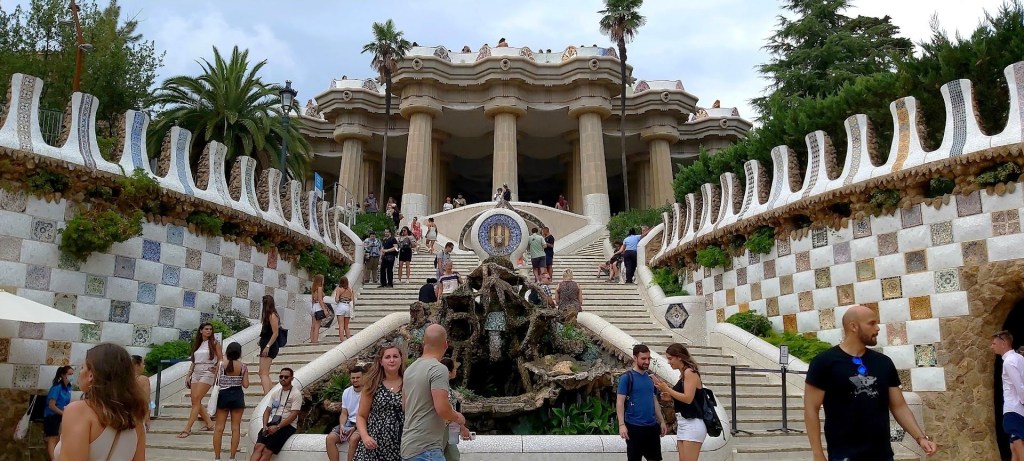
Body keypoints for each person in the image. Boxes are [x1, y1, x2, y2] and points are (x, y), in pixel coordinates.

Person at [804, 304, 938, 461]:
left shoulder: (884, 363)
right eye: (872, 323)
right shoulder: (824, 362)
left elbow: (899, 406)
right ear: (853, 326)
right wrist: (817, 454)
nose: (878, 328)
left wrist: (920, 438)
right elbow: (810, 409)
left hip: (882, 456)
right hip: (844, 456)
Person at [55, 343, 147, 461]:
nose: (79, 372)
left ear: (91, 375)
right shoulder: (136, 420)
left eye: (82, 367)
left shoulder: (78, 411)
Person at [401, 324, 467, 461]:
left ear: (424, 342)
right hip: (427, 448)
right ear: (446, 344)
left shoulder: (410, 370)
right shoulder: (438, 369)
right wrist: (457, 417)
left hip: (409, 445)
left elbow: (405, 407)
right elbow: (442, 408)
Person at [653, 344, 705, 461]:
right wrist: (670, 397)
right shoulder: (683, 375)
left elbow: (688, 398)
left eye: (670, 358)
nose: (668, 362)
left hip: (692, 423)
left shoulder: (689, 372)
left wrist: (667, 389)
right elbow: (687, 398)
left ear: (679, 357)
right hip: (683, 422)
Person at [616, 344, 668, 461]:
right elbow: (620, 402)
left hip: (651, 427)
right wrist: (621, 425)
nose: (647, 361)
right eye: (643, 358)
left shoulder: (650, 379)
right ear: (635, 358)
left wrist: (662, 421)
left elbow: (653, 400)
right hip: (634, 427)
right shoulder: (627, 378)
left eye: (648, 358)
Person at [354, 343, 406, 461]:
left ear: (401, 359)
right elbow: (361, 416)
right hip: (374, 445)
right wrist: (365, 437)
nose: (392, 360)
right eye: (387, 357)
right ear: (381, 361)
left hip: (401, 444)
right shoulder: (372, 384)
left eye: (395, 356)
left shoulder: (409, 383)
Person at [180, 322, 222, 438]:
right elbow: (193, 361)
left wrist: (217, 369)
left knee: (197, 399)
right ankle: (209, 423)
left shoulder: (214, 343)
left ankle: (187, 429)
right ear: (201, 331)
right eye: (206, 329)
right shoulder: (198, 344)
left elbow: (220, 358)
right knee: (195, 401)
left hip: (207, 371)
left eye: (210, 329)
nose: (209, 331)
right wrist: (189, 374)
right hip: (196, 371)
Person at [250, 367, 302, 461]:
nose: (283, 379)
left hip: (287, 426)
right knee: (258, 447)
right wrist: (265, 425)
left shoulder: (296, 394)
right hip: (272, 423)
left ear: (292, 378)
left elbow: (294, 414)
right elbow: (267, 410)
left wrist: (278, 427)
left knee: (267, 450)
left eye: (286, 377)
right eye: (281, 376)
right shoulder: (275, 393)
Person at [214, 342, 250, 461]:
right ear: (239, 353)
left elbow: (216, 381)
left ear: (227, 351)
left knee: (219, 428)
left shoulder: (221, 365)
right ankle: (232, 457)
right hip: (237, 396)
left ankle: (217, 457)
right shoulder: (243, 366)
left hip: (223, 396)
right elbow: (246, 385)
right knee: (235, 428)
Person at [994, 330, 1024, 461]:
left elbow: (1019, 386)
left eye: (994, 343)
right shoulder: (1019, 358)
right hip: (1017, 409)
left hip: (1014, 409)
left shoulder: (1008, 362)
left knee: (1018, 445)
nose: (992, 346)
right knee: (1013, 447)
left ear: (1004, 344)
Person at [327, 364, 365, 461]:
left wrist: (355, 427)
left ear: (363, 378)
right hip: (349, 422)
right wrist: (342, 426)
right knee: (330, 439)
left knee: (353, 440)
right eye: (353, 378)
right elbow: (344, 413)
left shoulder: (367, 392)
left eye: (357, 378)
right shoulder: (346, 392)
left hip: (363, 423)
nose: (355, 380)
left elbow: (368, 415)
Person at [439, 358, 472, 461]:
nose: (456, 371)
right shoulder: (444, 389)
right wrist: (462, 428)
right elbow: (448, 411)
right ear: (448, 372)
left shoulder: (445, 388)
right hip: (442, 432)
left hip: (447, 432)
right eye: (455, 369)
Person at [45, 366, 74, 460]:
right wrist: (63, 413)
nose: (71, 376)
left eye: (72, 374)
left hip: (61, 415)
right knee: (53, 438)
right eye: (69, 374)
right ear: (63, 375)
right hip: (51, 415)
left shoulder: (69, 388)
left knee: (60, 438)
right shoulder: (56, 388)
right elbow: (51, 406)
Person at [258, 295, 281, 394]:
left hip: (269, 346)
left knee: (263, 373)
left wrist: (267, 346)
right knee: (264, 372)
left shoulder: (272, 315)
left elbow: (275, 333)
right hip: (266, 344)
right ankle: (270, 394)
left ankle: (267, 395)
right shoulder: (269, 315)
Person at [131, 356, 151, 432]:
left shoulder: (122, 379)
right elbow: (147, 400)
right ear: (137, 365)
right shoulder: (143, 379)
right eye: (143, 363)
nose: (144, 366)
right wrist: (147, 415)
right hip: (138, 416)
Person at [333, 277, 356, 342]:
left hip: (341, 306)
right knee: (346, 326)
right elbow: (353, 301)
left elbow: (337, 300)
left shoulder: (339, 289)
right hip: (348, 306)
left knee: (341, 325)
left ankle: (342, 340)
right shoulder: (350, 289)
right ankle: (349, 339)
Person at [310, 274, 330, 344]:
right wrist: (324, 310)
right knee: (317, 325)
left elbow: (313, 299)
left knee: (313, 325)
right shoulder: (320, 288)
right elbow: (320, 300)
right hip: (318, 307)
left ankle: (312, 339)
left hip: (314, 306)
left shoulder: (313, 288)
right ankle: (315, 340)